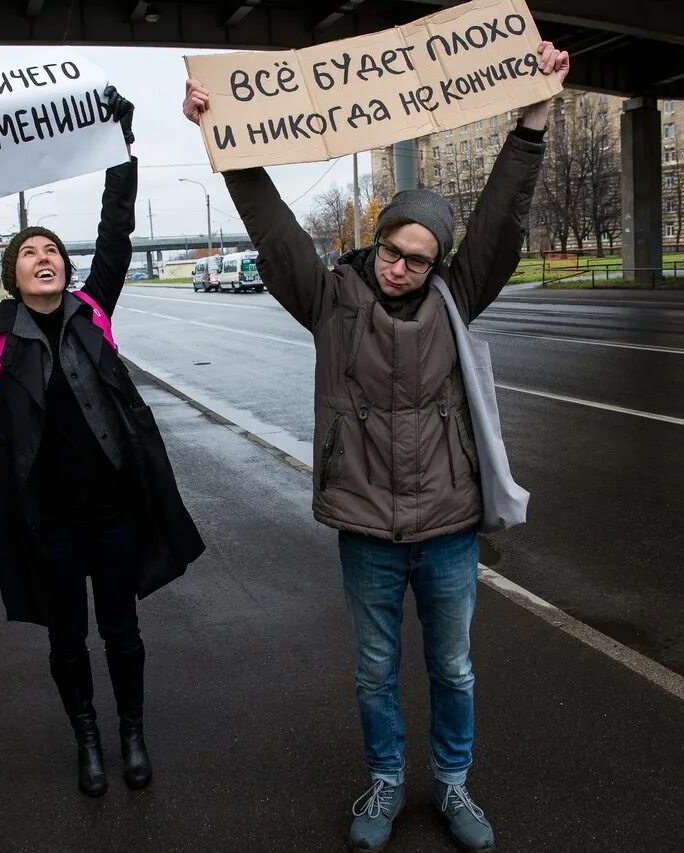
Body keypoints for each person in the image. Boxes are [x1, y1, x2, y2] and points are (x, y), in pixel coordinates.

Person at [183, 42, 569, 852]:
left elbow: (501, 222)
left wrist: (532, 121)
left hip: (450, 527)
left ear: (439, 264)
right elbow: (278, 230)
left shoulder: (458, 297)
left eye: (417, 259)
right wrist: (228, 147)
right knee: (373, 671)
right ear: (377, 240)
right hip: (368, 530)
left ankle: (455, 784)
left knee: (455, 668)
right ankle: (388, 780)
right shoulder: (330, 299)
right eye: (391, 250)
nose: (399, 268)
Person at [0, 86, 204, 797]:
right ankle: (87, 737)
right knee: (66, 637)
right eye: (30, 252)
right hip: (47, 521)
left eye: (51, 250)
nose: (43, 256)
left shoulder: (95, 311)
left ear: (66, 269)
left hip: (114, 512)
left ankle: (132, 731)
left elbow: (116, 229)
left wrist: (121, 148)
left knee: (122, 629)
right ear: (14, 275)